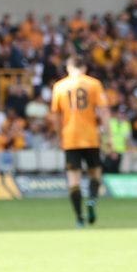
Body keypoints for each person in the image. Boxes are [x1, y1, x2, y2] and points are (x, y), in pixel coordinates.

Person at [50, 56, 111, 226]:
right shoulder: (94, 84)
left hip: (70, 138)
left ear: (68, 68)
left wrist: (59, 136)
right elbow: (104, 111)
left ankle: (79, 218)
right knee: (95, 174)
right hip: (91, 137)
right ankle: (91, 200)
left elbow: (56, 115)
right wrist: (108, 136)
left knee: (73, 180)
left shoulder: (59, 86)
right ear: (84, 68)